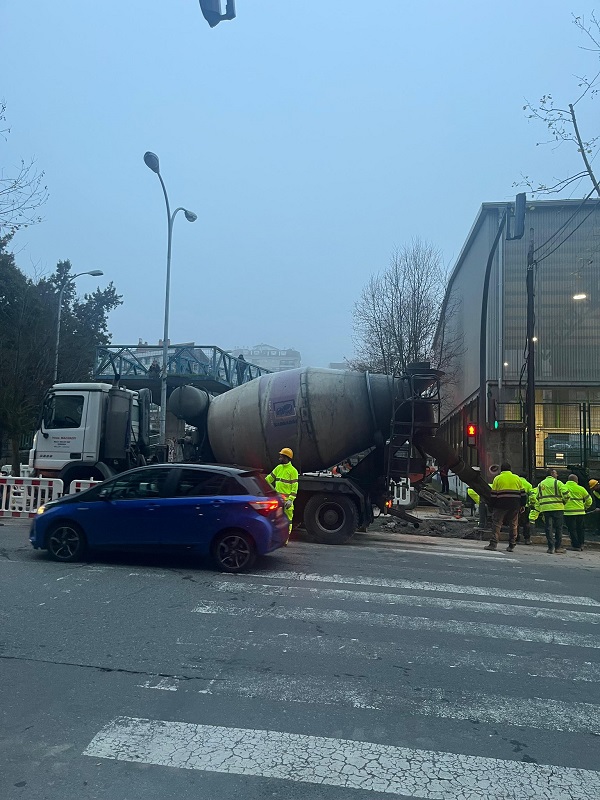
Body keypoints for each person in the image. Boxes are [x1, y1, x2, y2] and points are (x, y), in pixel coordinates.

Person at [485, 462, 526, 552]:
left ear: (501, 470)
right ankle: (511, 545)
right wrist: (523, 505)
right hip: (514, 505)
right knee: (513, 524)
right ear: (510, 469)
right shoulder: (517, 478)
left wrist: (491, 506)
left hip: (500, 505)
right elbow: (523, 493)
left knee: (497, 524)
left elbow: (493, 494)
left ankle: (493, 544)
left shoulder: (498, 478)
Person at [266, 447, 299, 543]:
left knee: (288, 520)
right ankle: (275, 538)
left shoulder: (293, 471)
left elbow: (294, 487)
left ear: (286, 457)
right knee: (275, 519)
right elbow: (268, 480)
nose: (279, 458)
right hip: (277, 499)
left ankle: (285, 539)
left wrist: (291, 500)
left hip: (287, 501)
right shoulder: (278, 468)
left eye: (281, 456)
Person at [536, 468, 569, 554]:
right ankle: (558, 547)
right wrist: (564, 501)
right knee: (558, 528)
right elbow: (566, 493)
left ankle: (551, 547)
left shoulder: (540, 484)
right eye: (556, 473)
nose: (557, 475)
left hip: (546, 508)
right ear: (552, 473)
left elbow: (536, 496)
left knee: (548, 528)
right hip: (557, 507)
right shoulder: (557, 483)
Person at [564, 474, 592, 551]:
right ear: (576, 481)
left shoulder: (564, 487)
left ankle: (575, 545)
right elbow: (589, 500)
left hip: (568, 512)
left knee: (571, 529)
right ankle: (581, 544)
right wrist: (585, 507)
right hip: (580, 512)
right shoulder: (581, 489)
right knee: (580, 529)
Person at [517, 472, 534, 545]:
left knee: (515, 522)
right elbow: (532, 496)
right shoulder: (528, 485)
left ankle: (516, 537)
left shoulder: (516, 483)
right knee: (526, 523)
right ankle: (527, 539)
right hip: (525, 506)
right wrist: (532, 504)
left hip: (515, 506)